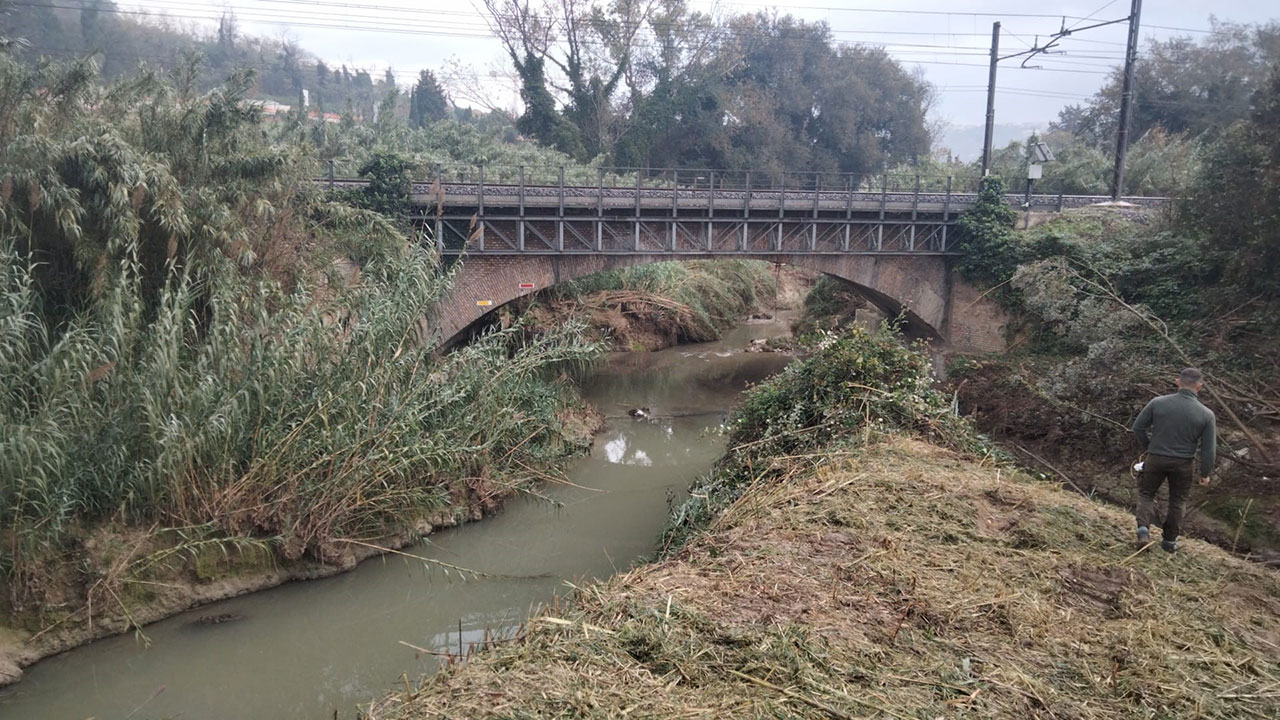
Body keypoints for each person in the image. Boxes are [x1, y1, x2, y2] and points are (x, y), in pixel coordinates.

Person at [1131, 367, 1217, 553]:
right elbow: (1209, 449)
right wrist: (1205, 472)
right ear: (1200, 387)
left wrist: (1150, 447)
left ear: (1178, 382)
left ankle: (1143, 531)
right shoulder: (1207, 414)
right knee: (1177, 501)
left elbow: (1138, 427)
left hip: (1156, 457)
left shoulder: (1157, 403)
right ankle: (1169, 542)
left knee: (1146, 494)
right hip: (1184, 463)